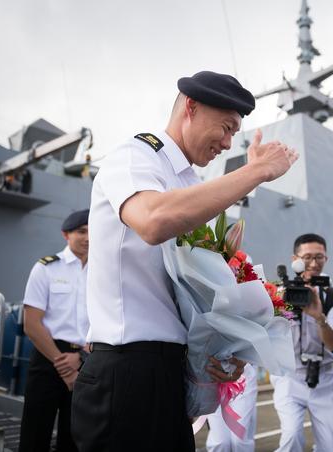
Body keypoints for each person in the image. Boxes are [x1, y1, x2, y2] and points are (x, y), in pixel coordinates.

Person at [71, 71, 298, 452]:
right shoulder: (135, 156)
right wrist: (256, 171)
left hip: (170, 372)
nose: (228, 143)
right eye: (226, 128)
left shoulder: (193, 186)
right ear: (190, 106)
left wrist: (230, 348)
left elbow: (201, 290)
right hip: (126, 372)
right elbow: (153, 220)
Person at [19, 209, 90, 452]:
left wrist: (79, 358)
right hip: (48, 357)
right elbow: (32, 324)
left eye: (93, 232)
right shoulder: (46, 269)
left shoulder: (103, 273)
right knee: (35, 434)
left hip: (86, 360)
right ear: (65, 234)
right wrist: (63, 364)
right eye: (81, 231)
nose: (88, 238)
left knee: (76, 438)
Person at [270, 233, 333, 452]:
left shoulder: (332, 296)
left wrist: (319, 317)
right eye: (307, 257)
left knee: (331, 446)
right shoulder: (280, 294)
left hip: (325, 378)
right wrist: (279, 301)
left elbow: (332, 344)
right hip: (290, 377)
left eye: (319, 257)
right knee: (291, 437)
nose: (313, 263)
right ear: (295, 260)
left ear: (326, 259)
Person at [205, 363, 259, 452]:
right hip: (213, 376)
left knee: (239, 439)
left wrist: (241, 362)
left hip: (242, 374)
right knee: (220, 442)